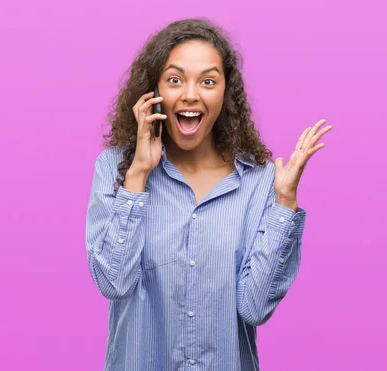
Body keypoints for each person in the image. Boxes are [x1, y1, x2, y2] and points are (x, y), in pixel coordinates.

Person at [84, 18, 332, 371]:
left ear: (225, 93)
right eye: (174, 79)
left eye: (208, 81)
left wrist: (284, 203)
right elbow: (113, 281)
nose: (190, 94)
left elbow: (255, 308)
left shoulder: (260, 182)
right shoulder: (116, 170)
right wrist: (137, 174)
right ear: (152, 92)